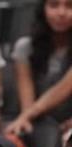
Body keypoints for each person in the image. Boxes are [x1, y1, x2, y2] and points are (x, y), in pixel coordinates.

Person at [8, 0, 72, 136]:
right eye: (54, 5)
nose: (61, 13)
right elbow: (27, 104)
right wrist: (25, 120)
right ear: (43, 9)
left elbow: (65, 87)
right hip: (39, 121)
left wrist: (26, 116)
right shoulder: (25, 47)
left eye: (70, 6)